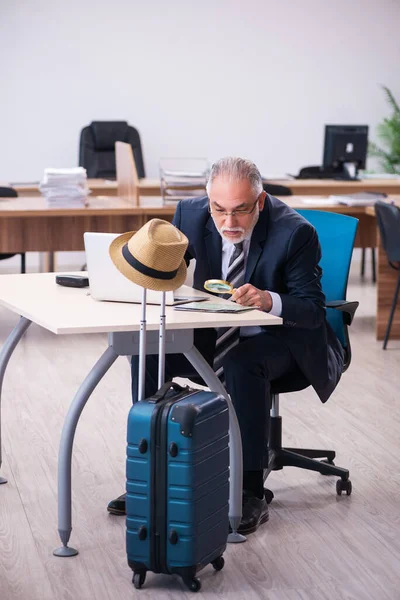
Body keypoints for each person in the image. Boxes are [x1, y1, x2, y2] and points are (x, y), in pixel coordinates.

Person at [107, 157, 344, 535]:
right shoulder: (189, 213)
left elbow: (313, 310)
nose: (229, 223)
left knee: (242, 363)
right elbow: (167, 272)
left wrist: (269, 299)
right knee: (146, 350)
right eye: (219, 210)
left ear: (261, 201)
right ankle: (152, 477)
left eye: (241, 211)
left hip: (282, 341)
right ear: (207, 200)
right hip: (211, 334)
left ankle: (250, 490)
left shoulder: (295, 233)